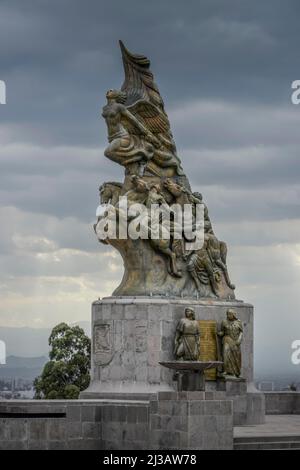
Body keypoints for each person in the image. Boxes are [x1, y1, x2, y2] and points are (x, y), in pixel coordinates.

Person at [217, 309, 243, 378]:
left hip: (235, 341)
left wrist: (239, 339)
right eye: (227, 314)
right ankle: (226, 370)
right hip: (227, 339)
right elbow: (223, 331)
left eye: (229, 314)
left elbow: (241, 332)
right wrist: (219, 333)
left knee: (236, 357)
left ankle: (236, 372)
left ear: (233, 315)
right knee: (226, 355)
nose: (228, 315)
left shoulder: (238, 322)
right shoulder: (224, 322)